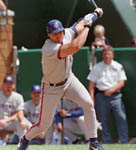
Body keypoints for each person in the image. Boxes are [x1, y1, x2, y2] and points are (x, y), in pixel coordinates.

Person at [17, 7, 104, 150]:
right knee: (44, 124)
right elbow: (76, 46)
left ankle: (93, 142)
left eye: (60, 32)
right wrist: (89, 25)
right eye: (54, 34)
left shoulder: (66, 34)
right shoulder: (49, 48)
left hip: (69, 80)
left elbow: (78, 25)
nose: (58, 36)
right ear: (48, 35)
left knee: (88, 104)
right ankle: (25, 139)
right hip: (51, 88)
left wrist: (94, 15)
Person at [87, 46, 128, 144]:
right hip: (101, 96)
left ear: (112, 55)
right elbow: (91, 85)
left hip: (116, 96)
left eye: (108, 54)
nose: (106, 56)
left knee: (121, 117)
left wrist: (112, 90)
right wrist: (91, 100)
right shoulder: (97, 67)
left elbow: (122, 82)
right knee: (103, 120)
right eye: (105, 54)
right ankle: (107, 142)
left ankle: (124, 141)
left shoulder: (118, 66)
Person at [0, 76, 31, 145]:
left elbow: (19, 112)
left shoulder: (18, 97)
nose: (8, 86)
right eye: (6, 84)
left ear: (13, 85)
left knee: (21, 122)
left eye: (10, 84)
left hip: (10, 123)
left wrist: (22, 121)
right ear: (3, 85)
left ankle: (23, 145)